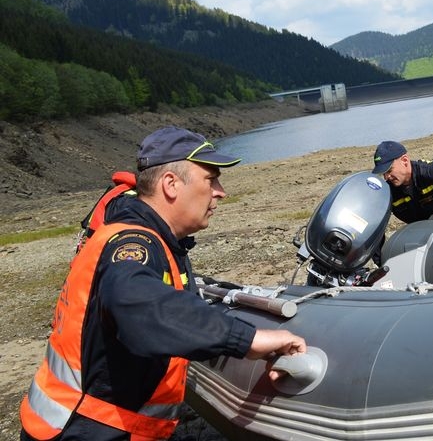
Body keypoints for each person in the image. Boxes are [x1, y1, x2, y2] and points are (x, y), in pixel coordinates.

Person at [20, 126, 307, 441]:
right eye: (211, 180)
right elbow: (138, 305)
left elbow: (174, 304)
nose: (220, 191)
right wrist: (247, 339)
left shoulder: (154, 238)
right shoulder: (132, 244)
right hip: (86, 430)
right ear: (171, 184)